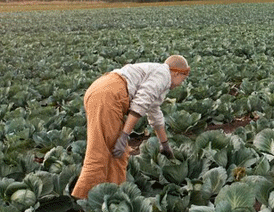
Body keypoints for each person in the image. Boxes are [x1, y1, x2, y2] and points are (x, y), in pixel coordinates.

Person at [71, 54, 190, 199]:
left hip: (103, 90)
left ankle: (113, 196)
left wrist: (164, 144)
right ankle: (84, 201)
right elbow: (140, 103)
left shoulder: (158, 76)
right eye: (182, 80)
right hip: (109, 95)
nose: (179, 84)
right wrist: (124, 136)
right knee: (100, 153)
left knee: (118, 154)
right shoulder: (164, 75)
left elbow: (155, 113)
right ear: (177, 73)